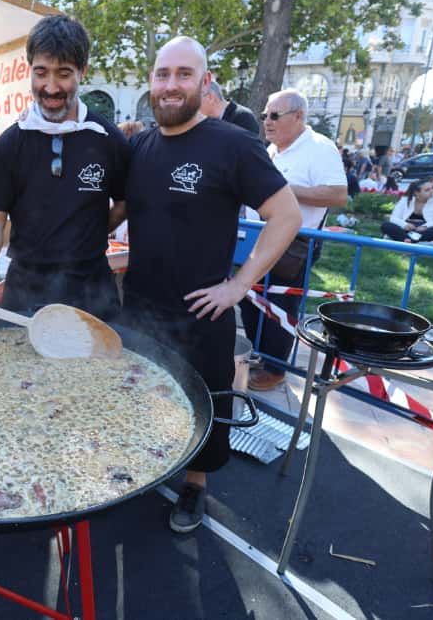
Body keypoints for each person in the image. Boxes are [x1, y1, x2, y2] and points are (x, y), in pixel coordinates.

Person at [114, 36, 300, 532]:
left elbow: (286, 215)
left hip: (203, 312)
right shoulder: (140, 147)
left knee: (207, 405)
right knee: (141, 397)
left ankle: (195, 487)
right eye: (162, 74)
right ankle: (148, 466)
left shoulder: (232, 143)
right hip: (140, 308)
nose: (171, 85)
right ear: (151, 83)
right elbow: (118, 212)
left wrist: (238, 285)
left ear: (204, 82)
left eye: (183, 74)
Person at [0, 15, 129, 321]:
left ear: (83, 71)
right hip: (26, 287)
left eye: (64, 73)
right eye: (41, 72)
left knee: (100, 369)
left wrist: (89, 233)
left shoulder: (108, 139)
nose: (51, 87)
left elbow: (123, 204)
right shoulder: (11, 143)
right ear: (30, 69)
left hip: (91, 287)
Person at [241, 88, 347, 392]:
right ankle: (261, 357)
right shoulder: (273, 150)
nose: (267, 122)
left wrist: (282, 190)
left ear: (298, 117)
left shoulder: (319, 147)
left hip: (295, 244)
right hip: (258, 237)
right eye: (264, 116)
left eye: (275, 115)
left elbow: (338, 195)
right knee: (253, 301)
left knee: (281, 304)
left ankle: (276, 369)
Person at [381, 178, 433, 243]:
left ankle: (406, 239)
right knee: (386, 225)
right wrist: (404, 225)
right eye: (427, 190)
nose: (432, 191)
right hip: (407, 228)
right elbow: (393, 218)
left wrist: (425, 226)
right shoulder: (405, 199)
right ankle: (411, 239)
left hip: (425, 229)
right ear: (417, 193)